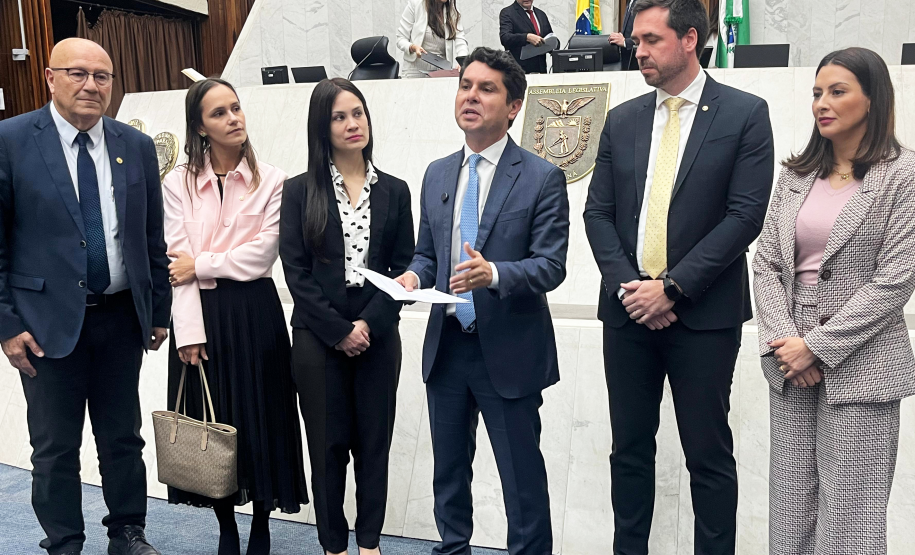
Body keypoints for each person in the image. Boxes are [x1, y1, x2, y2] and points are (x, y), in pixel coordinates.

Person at [583, 0, 774, 552]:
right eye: (635, 41)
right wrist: (632, 287)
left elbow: (744, 216)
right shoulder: (622, 119)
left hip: (703, 315)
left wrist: (670, 288)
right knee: (629, 453)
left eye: (649, 40)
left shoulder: (744, 112)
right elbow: (597, 213)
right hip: (627, 313)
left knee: (708, 455)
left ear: (690, 38)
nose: (637, 51)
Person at [395, 47, 570, 555]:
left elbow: (551, 266)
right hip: (448, 346)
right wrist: (411, 276)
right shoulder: (436, 173)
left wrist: (493, 273)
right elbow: (428, 254)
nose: (471, 96)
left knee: (521, 481)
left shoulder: (540, 177)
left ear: (514, 106)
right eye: (465, 85)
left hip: (510, 350)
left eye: (486, 88)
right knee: (448, 474)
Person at [0, 38, 170, 555]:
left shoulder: (134, 145)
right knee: (55, 448)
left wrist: (157, 308)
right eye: (78, 73)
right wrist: (6, 325)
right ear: (50, 77)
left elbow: (150, 238)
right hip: (45, 323)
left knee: (123, 438)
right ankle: (64, 542)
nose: (91, 85)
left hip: (120, 318)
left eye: (103, 76)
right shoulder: (10, 139)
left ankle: (127, 532)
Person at [753, 47, 915, 555]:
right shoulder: (796, 174)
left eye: (838, 91)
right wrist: (788, 346)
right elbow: (767, 264)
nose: (822, 102)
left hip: (862, 369)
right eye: (817, 92)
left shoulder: (903, 175)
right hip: (789, 366)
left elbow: (896, 278)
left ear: (873, 100)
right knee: (792, 517)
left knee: (851, 522)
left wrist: (817, 347)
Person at [162, 77, 309, 555]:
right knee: (214, 420)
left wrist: (203, 263)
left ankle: (262, 523)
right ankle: (226, 527)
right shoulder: (177, 182)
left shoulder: (273, 179)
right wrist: (187, 331)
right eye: (219, 113)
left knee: (264, 417)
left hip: (255, 313)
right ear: (200, 127)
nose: (234, 119)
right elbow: (174, 262)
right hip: (200, 314)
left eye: (236, 108)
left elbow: (261, 256)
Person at [280, 77, 415, 555]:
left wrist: (369, 325)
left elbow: (405, 268)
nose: (352, 124)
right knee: (328, 448)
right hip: (319, 338)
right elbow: (296, 273)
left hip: (378, 332)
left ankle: (370, 544)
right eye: (339, 117)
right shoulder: (298, 192)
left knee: (373, 446)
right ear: (323, 126)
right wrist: (339, 331)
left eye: (357, 113)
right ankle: (334, 545)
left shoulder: (396, 191)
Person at [396, 0, 468, 78]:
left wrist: (462, 63)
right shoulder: (415, 4)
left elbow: (461, 40)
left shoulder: (452, 11)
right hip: (414, 70)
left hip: (440, 71)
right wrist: (413, 47)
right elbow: (401, 39)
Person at [499, 0, 554, 74]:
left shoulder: (541, 14)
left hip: (541, 71)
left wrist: (554, 44)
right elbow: (505, 38)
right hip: (519, 72)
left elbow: (549, 35)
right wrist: (526, 37)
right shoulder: (508, 12)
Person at [609, 0, 639, 70]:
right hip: (626, 62)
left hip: (637, 64)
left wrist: (625, 42)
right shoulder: (630, 2)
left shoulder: (644, 3)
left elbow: (647, 36)